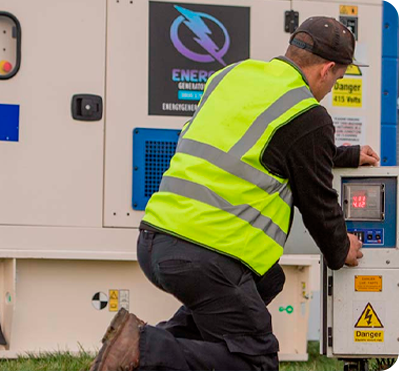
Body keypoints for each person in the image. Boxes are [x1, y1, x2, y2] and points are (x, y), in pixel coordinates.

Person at [91, 16, 380, 371]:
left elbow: (265, 146)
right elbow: (318, 204)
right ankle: (143, 350)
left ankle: (136, 342)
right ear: (328, 69)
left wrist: (345, 155)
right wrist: (341, 250)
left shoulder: (232, 76)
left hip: (156, 240)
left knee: (266, 281)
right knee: (255, 362)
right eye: (338, 79)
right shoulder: (308, 113)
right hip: (205, 254)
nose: (332, 88)